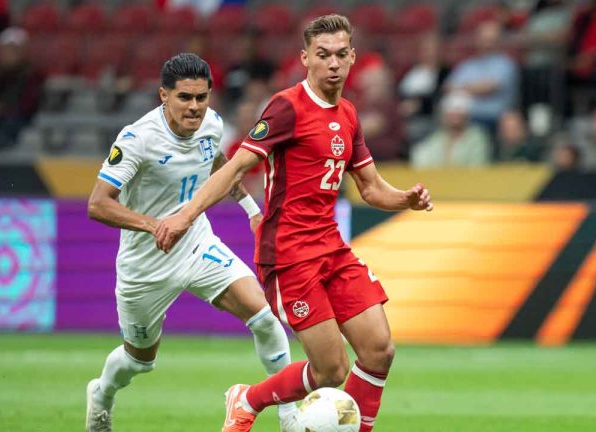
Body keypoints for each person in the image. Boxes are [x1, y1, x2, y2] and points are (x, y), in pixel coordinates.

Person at [155, 15, 434, 432]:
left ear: (353, 57)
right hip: (289, 255)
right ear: (305, 58)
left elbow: (372, 188)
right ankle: (247, 399)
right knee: (331, 370)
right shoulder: (287, 106)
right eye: (323, 55)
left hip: (332, 249)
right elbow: (235, 169)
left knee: (379, 350)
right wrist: (186, 214)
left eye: (341, 54)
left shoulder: (349, 114)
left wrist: (405, 200)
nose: (333, 64)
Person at [84, 53, 298, 432]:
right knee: (140, 361)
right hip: (145, 265)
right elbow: (98, 204)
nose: (195, 107)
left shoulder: (213, 125)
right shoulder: (138, 139)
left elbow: (220, 168)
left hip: (197, 245)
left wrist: (250, 208)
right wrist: (154, 226)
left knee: (264, 315)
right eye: (185, 97)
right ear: (163, 95)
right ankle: (101, 393)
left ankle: (289, 417)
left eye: (202, 97)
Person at [411, 92, 491, 167]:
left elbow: (477, 166)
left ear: (467, 116)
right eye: (451, 114)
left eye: (459, 114)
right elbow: (421, 160)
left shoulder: (477, 137)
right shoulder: (436, 138)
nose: (454, 118)